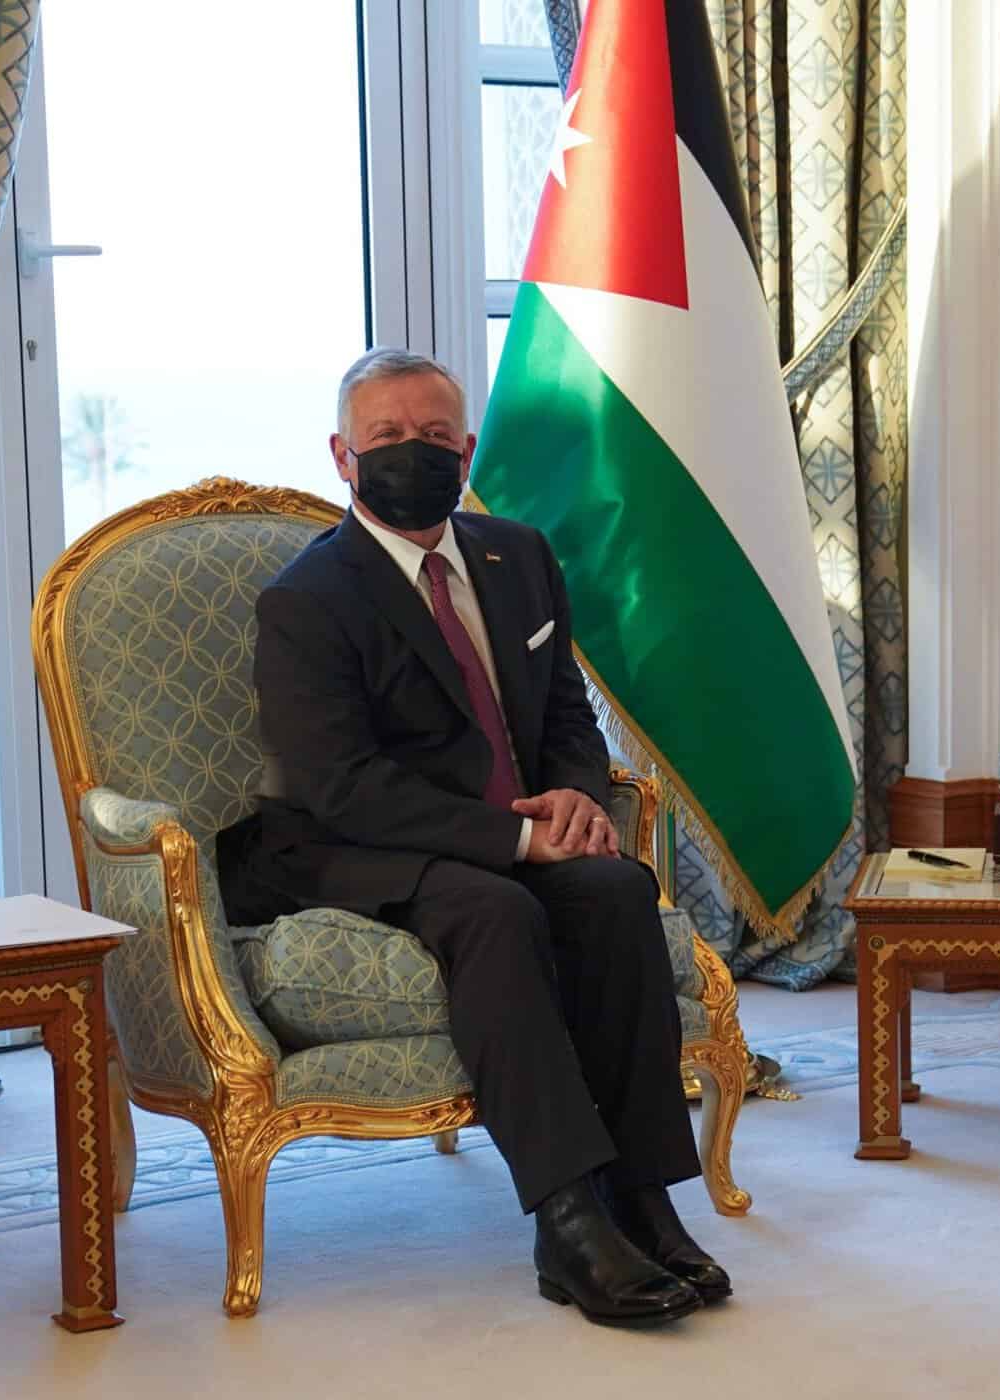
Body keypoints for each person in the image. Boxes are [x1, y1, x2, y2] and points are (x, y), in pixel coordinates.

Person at [217, 348, 725, 1329]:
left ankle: (643, 1195)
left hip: (512, 822)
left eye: (433, 436)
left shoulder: (518, 555)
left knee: (616, 888)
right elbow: (339, 785)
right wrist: (516, 840)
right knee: (494, 909)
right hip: (359, 844)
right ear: (343, 455)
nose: (411, 452)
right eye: (386, 437)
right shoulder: (308, 598)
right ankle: (567, 1217)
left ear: (466, 448)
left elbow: (565, 716)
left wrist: (574, 800)